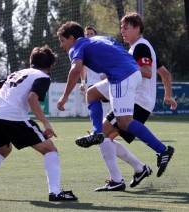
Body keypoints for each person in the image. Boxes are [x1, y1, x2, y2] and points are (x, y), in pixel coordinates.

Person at [56, 21, 174, 190]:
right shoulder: (99, 39)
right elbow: (117, 48)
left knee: (124, 122)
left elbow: (75, 70)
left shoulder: (76, 47)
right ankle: (98, 134)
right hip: (125, 73)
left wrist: (64, 97)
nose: (62, 45)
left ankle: (162, 150)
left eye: (62, 40)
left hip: (122, 76)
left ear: (72, 38)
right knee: (92, 93)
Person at [0, 45, 78, 202]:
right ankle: (55, 192)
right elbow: (32, 98)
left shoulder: (16, 73)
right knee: (50, 150)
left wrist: (0, 112)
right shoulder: (43, 76)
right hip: (13, 118)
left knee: (3, 150)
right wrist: (46, 123)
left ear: (31, 61)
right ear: (50, 66)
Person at [93, 12, 177, 191]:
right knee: (106, 138)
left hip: (135, 101)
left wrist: (119, 70)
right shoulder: (139, 48)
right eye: (121, 27)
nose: (122, 31)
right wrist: (168, 95)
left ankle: (159, 152)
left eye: (126, 27)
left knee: (102, 133)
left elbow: (146, 72)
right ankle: (140, 169)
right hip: (138, 101)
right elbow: (164, 73)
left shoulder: (140, 46)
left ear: (137, 28)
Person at [80, 26, 108, 134]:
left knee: (111, 105)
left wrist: (104, 73)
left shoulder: (101, 47)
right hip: (92, 81)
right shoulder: (83, 50)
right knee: (93, 101)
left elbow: (107, 61)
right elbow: (82, 67)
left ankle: (110, 127)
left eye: (91, 34)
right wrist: (83, 82)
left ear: (96, 36)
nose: (89, 36)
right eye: (87, 34)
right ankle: (97, 130)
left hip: (105, 80)